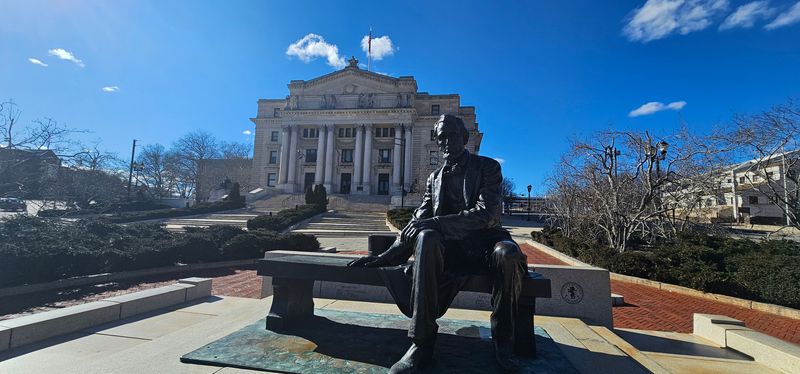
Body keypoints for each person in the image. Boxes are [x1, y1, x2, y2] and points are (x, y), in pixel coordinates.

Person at [348, 114, 527, 372]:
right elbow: (416, 224)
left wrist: (437, 223)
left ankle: (503, 340)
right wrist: (383, 257)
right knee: (426, 236)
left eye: (452, 136)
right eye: (441, 138)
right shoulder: (434, 179)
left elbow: (488, 214)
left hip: (485, 246)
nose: (446, 142)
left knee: (508, 253)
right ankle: (421, 344)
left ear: (464, 138)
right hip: (449, 252)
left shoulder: (487, 167)